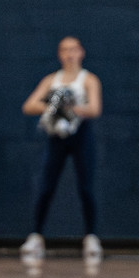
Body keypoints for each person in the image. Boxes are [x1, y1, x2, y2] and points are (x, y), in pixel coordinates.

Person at [19, 37, 102, 261]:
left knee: (86, 186)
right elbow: (29, 105)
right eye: (65, 50)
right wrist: (54, 104)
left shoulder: (89, 79)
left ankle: (91, 236)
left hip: (81, 136)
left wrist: (70, 107)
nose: (69, 54)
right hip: (56, 137)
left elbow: (94, 108)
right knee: (46, 185)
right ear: (59, 54)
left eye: (73, 49)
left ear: (81, 52)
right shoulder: (51, 80)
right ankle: (36, 235)